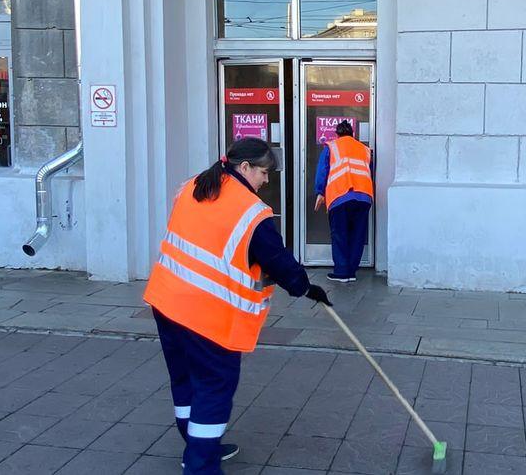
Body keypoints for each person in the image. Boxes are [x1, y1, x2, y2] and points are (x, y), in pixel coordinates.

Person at [144, 137, 332, 475]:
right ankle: (201, 465)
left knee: (185, 382)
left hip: (166, 301)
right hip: (207, 317)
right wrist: (306, 288)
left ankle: (197, 446)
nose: (266, 180)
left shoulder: (192, 186)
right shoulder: (252, 212)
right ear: (244, 168)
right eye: (264, 172)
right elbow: (279, 261)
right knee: (214, 391)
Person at [313, 120, 373, 282]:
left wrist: (320, 192)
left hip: (340, 195)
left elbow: (323, 170)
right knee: (357, 234)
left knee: (339, 233)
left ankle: (341, 272)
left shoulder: (332, 147)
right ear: (353, 134)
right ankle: (351, 271)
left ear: (337, 134)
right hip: (364, 197)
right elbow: (369, 171)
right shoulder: (365, 149)